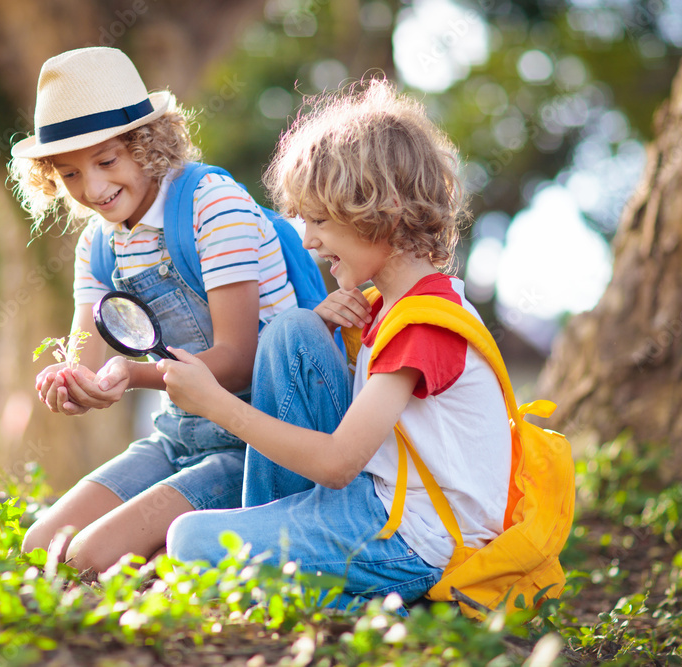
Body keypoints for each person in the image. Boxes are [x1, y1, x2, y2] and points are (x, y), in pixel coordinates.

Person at [160, 79, 513, 608]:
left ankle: (393, 608)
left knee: (189, 541)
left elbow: (337, 464)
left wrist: (215, 402)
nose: (307, 240)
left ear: (385, 211)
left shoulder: (426, 323)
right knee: (292, 330)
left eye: (320, 220)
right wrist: (321, 326)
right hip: (378, 506)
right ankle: (276, 559)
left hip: (414, 543)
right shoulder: (391, 306)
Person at [8, 47, 301, 574]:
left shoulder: (214, 205)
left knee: (88, 559)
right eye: (70, 174)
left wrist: (131, 374)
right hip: (178, 434)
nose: (93, 189)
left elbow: (239, 357)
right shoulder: (97, 245)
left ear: (146, 143)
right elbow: (83, 350)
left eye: (106, 161)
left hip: (257, 440)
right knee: (41, 547)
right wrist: (73, 382)